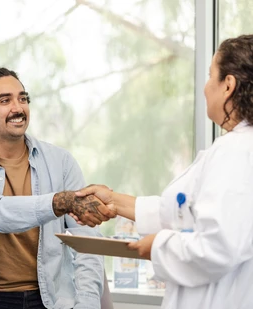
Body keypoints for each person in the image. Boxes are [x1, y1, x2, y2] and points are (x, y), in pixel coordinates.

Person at [76, 34, 253, 309]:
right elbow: (183, 213)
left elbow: (218, 248)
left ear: (228, 85)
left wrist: (157, 246)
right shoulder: (234, 148)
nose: (205, 88)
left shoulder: (238, 152)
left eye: (210, 76)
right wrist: (114, 200)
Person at [0, 68, 112, 309]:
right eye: (5, 100)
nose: (18, 108)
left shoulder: (60, 162)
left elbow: (88, 240)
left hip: (48, 298)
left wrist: (87, 303)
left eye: (23, 98)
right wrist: (60, 202)